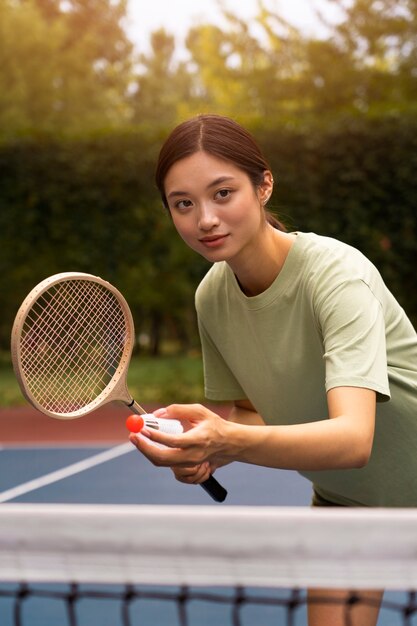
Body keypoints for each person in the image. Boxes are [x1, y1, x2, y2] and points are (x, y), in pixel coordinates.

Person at [129, 114, 417, 626]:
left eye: (223, 193)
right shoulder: (211, 298)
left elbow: (354, 440)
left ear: (263, 186)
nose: (206, 220)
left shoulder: (336, 274)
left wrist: (228, 441)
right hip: (347, 505)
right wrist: (208, 447)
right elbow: (254, 415)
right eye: (183, 204)